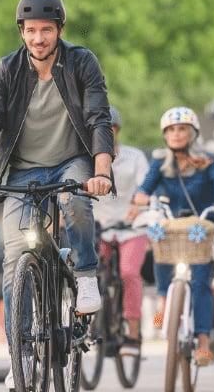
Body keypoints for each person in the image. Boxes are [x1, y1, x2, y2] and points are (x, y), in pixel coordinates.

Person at [0, 0, 114, 388]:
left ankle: (85, 274)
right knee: (15, 259)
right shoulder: (7, 70)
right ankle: (21, 355)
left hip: (70, 161)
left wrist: (101, 173)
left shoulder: (81, 62)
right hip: (22, 171)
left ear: (59, 30)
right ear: (22, 33)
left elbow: (98, 118)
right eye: (31, 31)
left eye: (46, 30)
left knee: (74, 203)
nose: (39, 38)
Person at [133, 106, 214, 366]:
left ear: (193, 133)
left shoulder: (207, 161)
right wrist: (140, 197)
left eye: (182, 129)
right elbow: (144, 187)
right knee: (160, 246)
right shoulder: (160, 163)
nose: (177, 134)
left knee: (202, 282)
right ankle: (162, 303)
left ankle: (203, 342)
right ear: (165, 135)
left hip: (200, 230)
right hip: (172, 228)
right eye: (171, 129)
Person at [92, 106, 150, 357]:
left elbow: (146, 186)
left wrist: (139, 205)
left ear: (116, 130)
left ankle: (133, 332)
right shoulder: (86, 159)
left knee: (128, 272)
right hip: (101, 229)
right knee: (87, 272)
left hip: (131, 228)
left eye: (109, 129)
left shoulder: (134, 158)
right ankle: (94, 322)